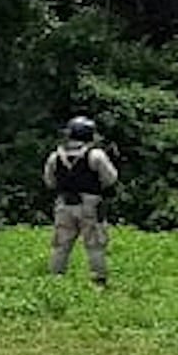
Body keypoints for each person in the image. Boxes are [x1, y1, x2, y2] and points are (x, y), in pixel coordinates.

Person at [44, 115, 118, 286]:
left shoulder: (55, 156)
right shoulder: (96, 155)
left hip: (64, 204)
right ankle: (98, 281)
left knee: (61, 244)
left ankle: (55, 280)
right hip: (90, 204)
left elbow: (50, 182)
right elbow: (110, 179)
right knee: (95, 244)